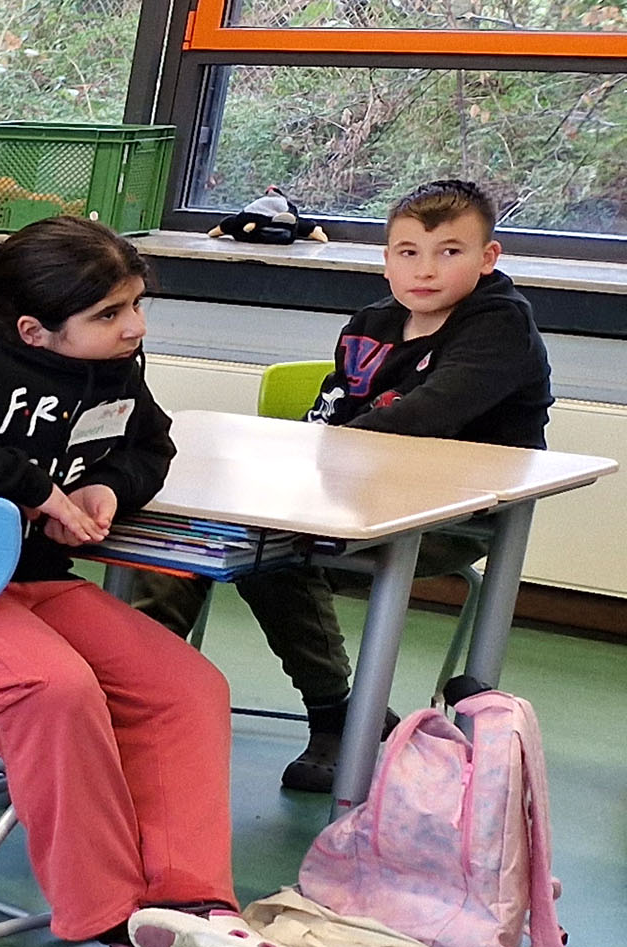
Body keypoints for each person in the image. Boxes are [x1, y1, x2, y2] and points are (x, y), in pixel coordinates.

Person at [0, 218, 314, 947]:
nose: (132, 327)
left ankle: (191, 902)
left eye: (136, 305)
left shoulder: (114, 364)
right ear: (35, 329)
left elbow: (149, 445)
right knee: (55, 688)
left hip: (24, 579)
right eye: (108, 314)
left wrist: (108, 488)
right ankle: (110, 918)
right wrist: (32, 485)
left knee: (184, 686)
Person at [133, 177, 552, 794]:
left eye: (450, 251)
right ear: (386, 258)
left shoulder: (500, 327)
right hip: (352, 495)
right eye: (408, 252)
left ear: (488, 258)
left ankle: (335, 715)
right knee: (203, 537)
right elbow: (332, 415)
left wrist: (313, 460)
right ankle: (135, 701)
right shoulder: (372, 322)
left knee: (275, 552)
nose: (425, 270)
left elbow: (423, 416)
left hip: (447, 516)